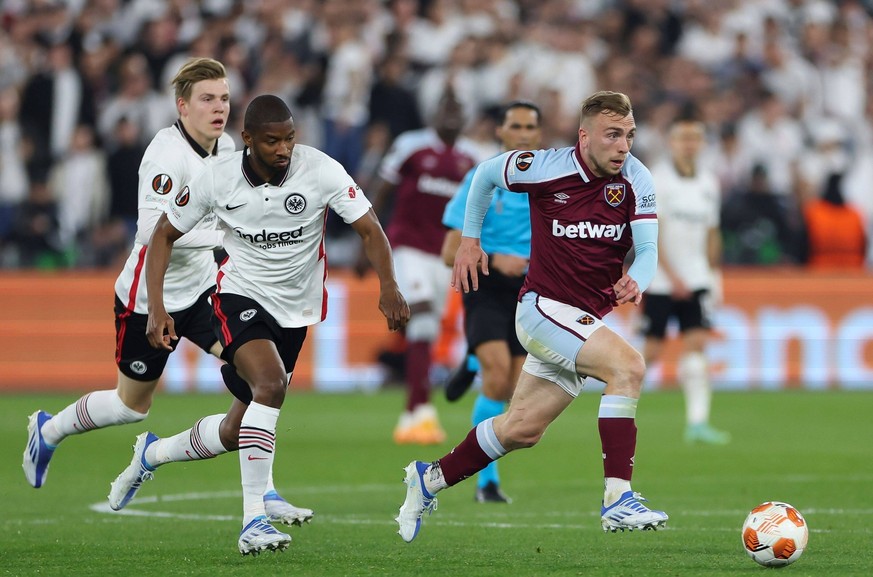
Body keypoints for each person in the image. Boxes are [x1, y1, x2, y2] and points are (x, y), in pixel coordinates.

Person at [22, 58, 312, 526]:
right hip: (148, 296)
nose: (219, 108)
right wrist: (169, 296)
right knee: (129, 406)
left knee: (266, 379)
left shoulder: (230, 151)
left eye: (223, 98)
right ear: (182, 106)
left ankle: (265, 493)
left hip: (205, 293)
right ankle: (49, 428)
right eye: (207, 99)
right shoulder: (165, 154)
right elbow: (150, 232)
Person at [129, 94, 409, 555]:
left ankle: (151, 454)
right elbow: (163, 235)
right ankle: (252, 518)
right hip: (239, 294)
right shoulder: (215, 178)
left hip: (295, 312)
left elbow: (369, 228)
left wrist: (389, 285)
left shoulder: (320, 170)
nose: (284, 149)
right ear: (247, 140)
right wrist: (156, 307)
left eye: (290, 138)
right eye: (273, 140)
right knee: (272, 384)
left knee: (236, 429)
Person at [395, 91, 669, 543]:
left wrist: (637, 278)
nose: (624, 146)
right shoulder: (545, 167)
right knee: (629, 366)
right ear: (585, 137)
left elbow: (649, 250)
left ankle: (428, 479)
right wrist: (470, 239)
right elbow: (484, 174)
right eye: (613, 135)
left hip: (579, 319)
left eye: (630, 135)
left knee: (521, 429)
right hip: (542, 309)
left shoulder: (638, 179)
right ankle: (618, 499)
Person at [359, 86, 480, 445]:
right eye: (446, 106)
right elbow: (381, 189)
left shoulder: (471, 158)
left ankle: (413, 414)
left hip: (444, 255)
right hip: (407, 246)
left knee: (426, 328)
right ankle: (420, 407)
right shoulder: (411, 145)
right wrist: (363, 242)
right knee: (423, 314)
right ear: (434, 113)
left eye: (458, 108)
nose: (452, 114)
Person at [440, 100, 542, 504]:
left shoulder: (549, 184)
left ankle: (470, 360)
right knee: (497, 375)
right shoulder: (481, 179)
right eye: (514, 126)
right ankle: (487, 484)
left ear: (538, 134)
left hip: (529, 291)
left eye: (529, 127)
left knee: (518, 395)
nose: (522, 133)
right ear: (500, 132)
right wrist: (496, 257)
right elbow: (450, 250)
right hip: (485, 284)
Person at [641, 112, 730, 445]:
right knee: (651, 349)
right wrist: (671, 274)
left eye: (695, 138)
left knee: (697, 345)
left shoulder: (708, 183)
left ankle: (697, 423)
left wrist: (713, 273)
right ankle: (619, 409)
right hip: (663, 280)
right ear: (671, 143)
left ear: (702, 143)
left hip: (696, 277)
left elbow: (712, 231)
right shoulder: (659, 180)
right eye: (683, 138)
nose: (689, 144)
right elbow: (653, 232)